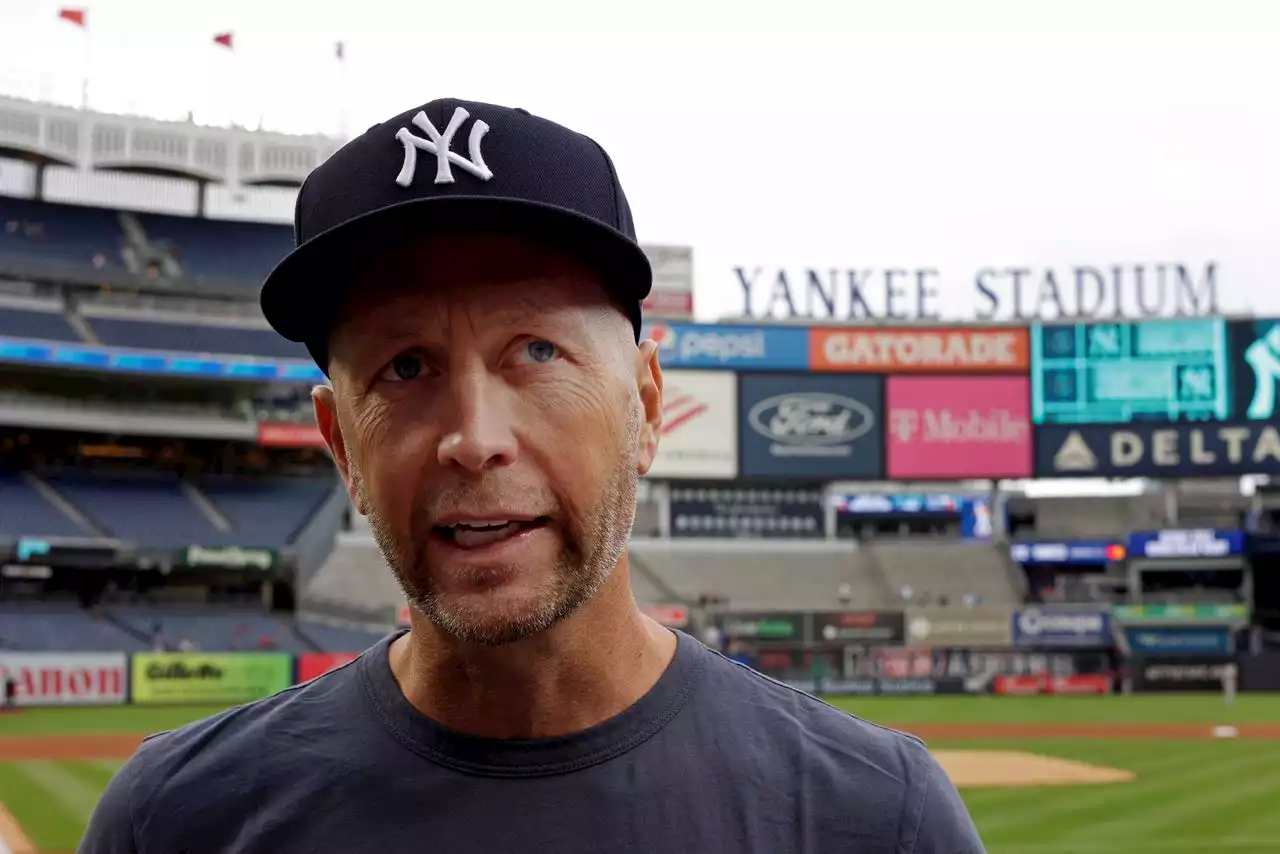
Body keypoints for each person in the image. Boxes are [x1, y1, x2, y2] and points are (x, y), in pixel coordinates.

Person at [80, 97, 984, 853]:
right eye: (405, 367)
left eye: (537, 350)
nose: (473, 440)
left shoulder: (878, 821)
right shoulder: (173, 824)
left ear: (647, 405)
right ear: (342, 445)